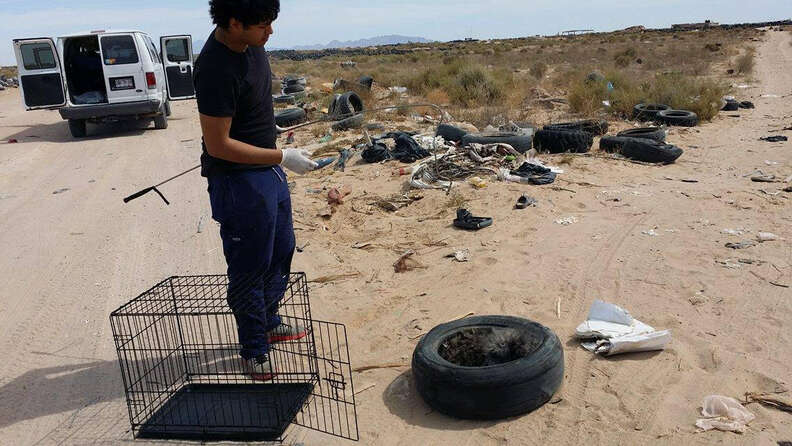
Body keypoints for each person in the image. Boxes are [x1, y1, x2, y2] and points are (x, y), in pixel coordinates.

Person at [194, 0, 318, 381]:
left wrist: (277, 140)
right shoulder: (215, 68)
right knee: (250, 265)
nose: (270, 32)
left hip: (269, 173)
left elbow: (254, 105)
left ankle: (268, 320)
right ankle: (253, 349)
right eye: (262, 25)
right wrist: (282, 156)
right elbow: (218, 145)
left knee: (281, 251)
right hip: (238, 182)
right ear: (234, 23)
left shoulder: (254, 46)